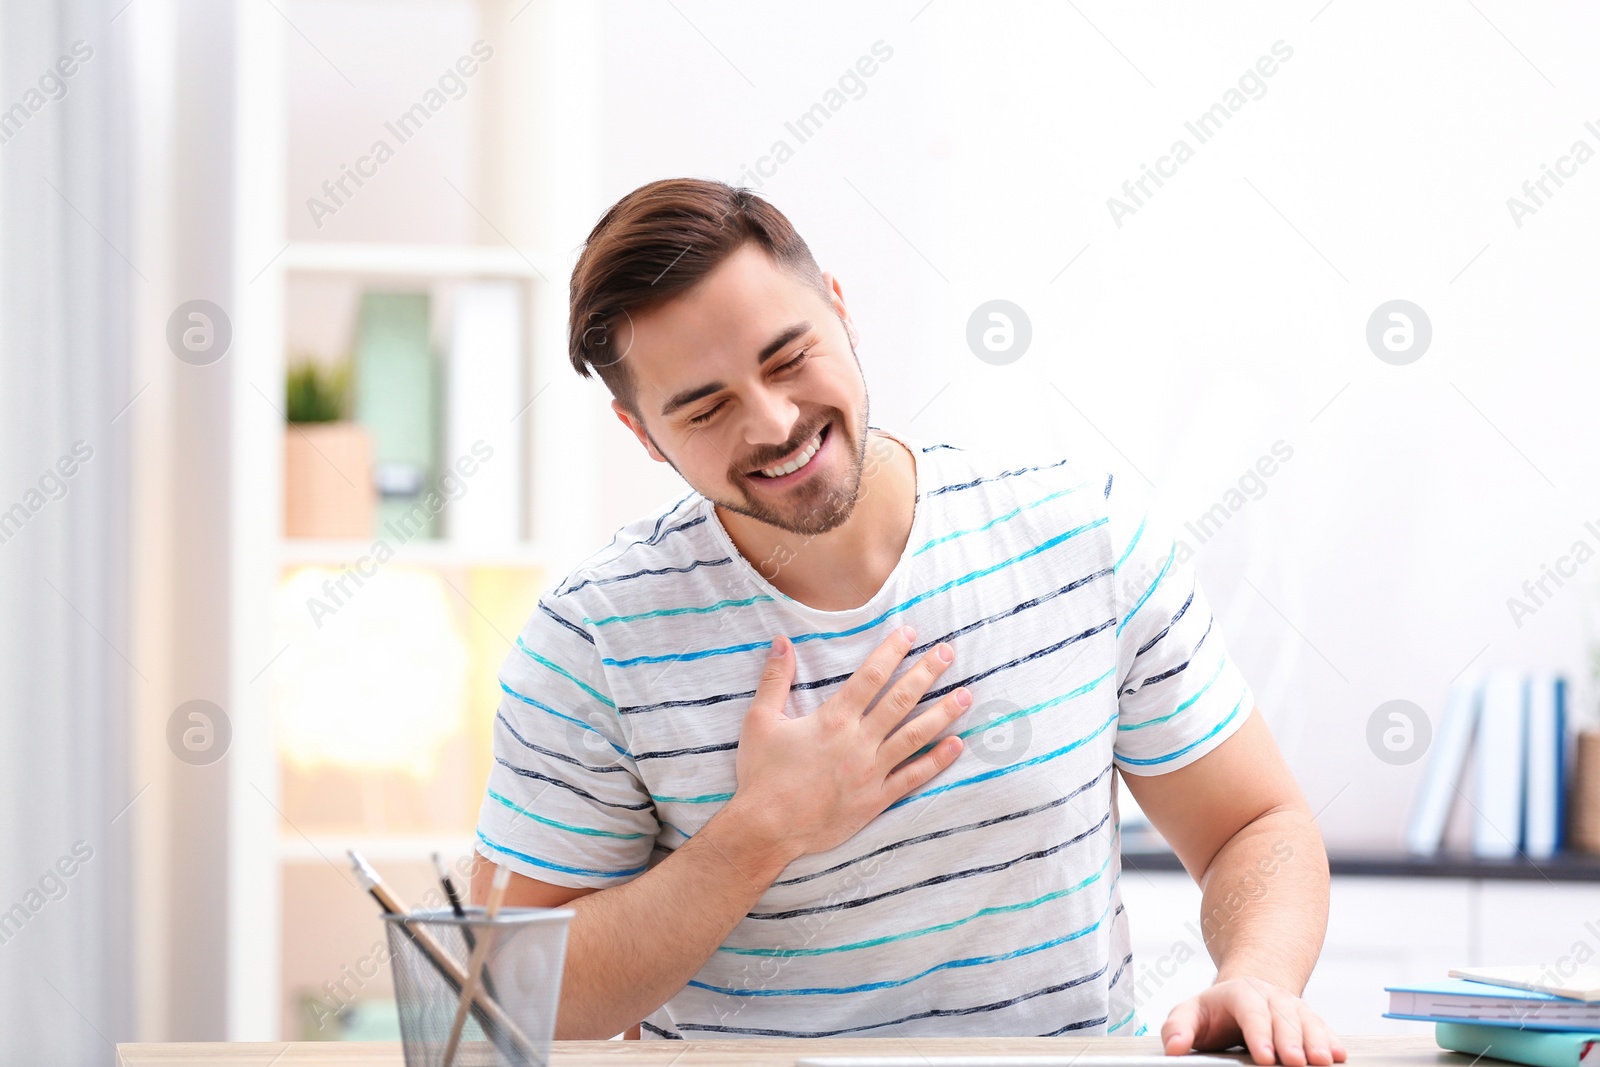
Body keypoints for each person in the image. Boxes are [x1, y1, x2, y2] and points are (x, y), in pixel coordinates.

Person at [471, 177, 1345, 1065]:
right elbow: (509, 990)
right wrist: (760, 829)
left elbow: (1255, 825)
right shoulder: (593, 641)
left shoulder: (1086, 536)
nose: (775, 422)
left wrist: (1261, 973)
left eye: (787, 358)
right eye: (706, 408)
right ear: (643, 433)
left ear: (841, 311)